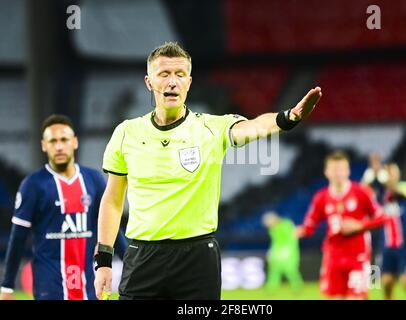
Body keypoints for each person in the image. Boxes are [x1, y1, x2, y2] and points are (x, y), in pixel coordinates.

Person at [94, 41, 322, 300]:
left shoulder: (212, 128)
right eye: (164, 74)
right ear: (149, 82)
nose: (172, 82)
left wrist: (288, 118)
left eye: (180, 75)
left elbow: (253, 126)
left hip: (198, 258)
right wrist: (103, 259)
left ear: (189, 82)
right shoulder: (126, 132)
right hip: (143, 257)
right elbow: (113, 200)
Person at [0, 115, 126, 300]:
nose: (59, 146)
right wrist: (7, 285)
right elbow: (18, 238)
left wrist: (132, 270)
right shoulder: (33, 185)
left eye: (64, 140)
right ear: (44, 145)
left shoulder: (93, 180)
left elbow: (112, 229)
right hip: (49, 290)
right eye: (53, 141)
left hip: (89, 289)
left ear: (74, 142)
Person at [295, 151, 387, 299]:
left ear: (348, 171)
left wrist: (360, 225)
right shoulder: (321, 197)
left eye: (341, 169)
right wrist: (300, 231)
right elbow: (309, 225)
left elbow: (382, 217)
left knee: (356, 297)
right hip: (333, 257)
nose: (338, 173)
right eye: (334, 169)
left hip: (358, 256)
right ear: (326, 172)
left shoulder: (361, 192)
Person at [379, 162, 406, 300]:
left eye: (393, 172)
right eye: (389, 172)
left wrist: (387, 181)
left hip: (405, 245)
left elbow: (400, 192)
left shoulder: (405, 187)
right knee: (386, 283)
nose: (391, 175)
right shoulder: (381, 195)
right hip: (387, 246)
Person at [262, 211, 303, 292]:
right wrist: (271, 251)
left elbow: (292, 239)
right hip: (277, 253)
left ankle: (297, 287)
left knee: (291, 270)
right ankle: (271, 289)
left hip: (290, 252)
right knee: (274, 270)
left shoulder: (287, 224)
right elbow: (275, 242)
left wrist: (287, 250)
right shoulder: (272, 230)